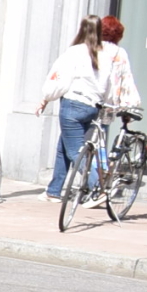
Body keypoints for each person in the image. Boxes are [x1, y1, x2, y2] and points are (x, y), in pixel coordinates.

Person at [35, 16, 114, 199]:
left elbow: (59, 80)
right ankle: (54, 191)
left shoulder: (74, 52)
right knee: (64, 147)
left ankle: (99, 187)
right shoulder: (106, 56)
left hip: (73, 105)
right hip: (92, 107)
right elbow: (109, 86)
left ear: (81, 29)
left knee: (74, 151)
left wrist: (46, 98)